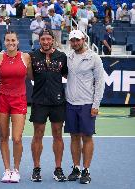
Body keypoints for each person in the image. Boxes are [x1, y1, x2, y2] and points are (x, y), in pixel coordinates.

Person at [65, 30, 105, 184]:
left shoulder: (94, 58)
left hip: (87, 104)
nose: (75, 43)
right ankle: (76, 167)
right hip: (70, 103)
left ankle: (86, 170)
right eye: (72, 41)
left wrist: (96, 105)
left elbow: (100, 82)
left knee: (87, 137)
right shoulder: (68, 57)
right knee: (74, 137)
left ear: (83, 40)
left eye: (77, 40)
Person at [29, 29, 68, 183]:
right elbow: (29, 75)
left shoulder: (62, 56)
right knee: (38, 134)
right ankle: (36, 169)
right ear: (39, 40)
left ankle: (58, 169)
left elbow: (66, 74)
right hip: (39, 101)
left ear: (53, 40)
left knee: (58, 134)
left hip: (58, 101)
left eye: (48, 39)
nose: (45, 42)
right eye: (43, 39)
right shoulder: (31, 56)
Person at [0, 31, 32, 183]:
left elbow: (32, 76)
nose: (11, 42)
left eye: (13, 40)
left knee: (16, 138)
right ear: (4, 42)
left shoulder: (25, 57)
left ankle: (16, 170)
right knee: (3, 137)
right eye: (8, 40)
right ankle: (7, 170)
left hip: (19, 100)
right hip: (2, 99)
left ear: (17, 41)